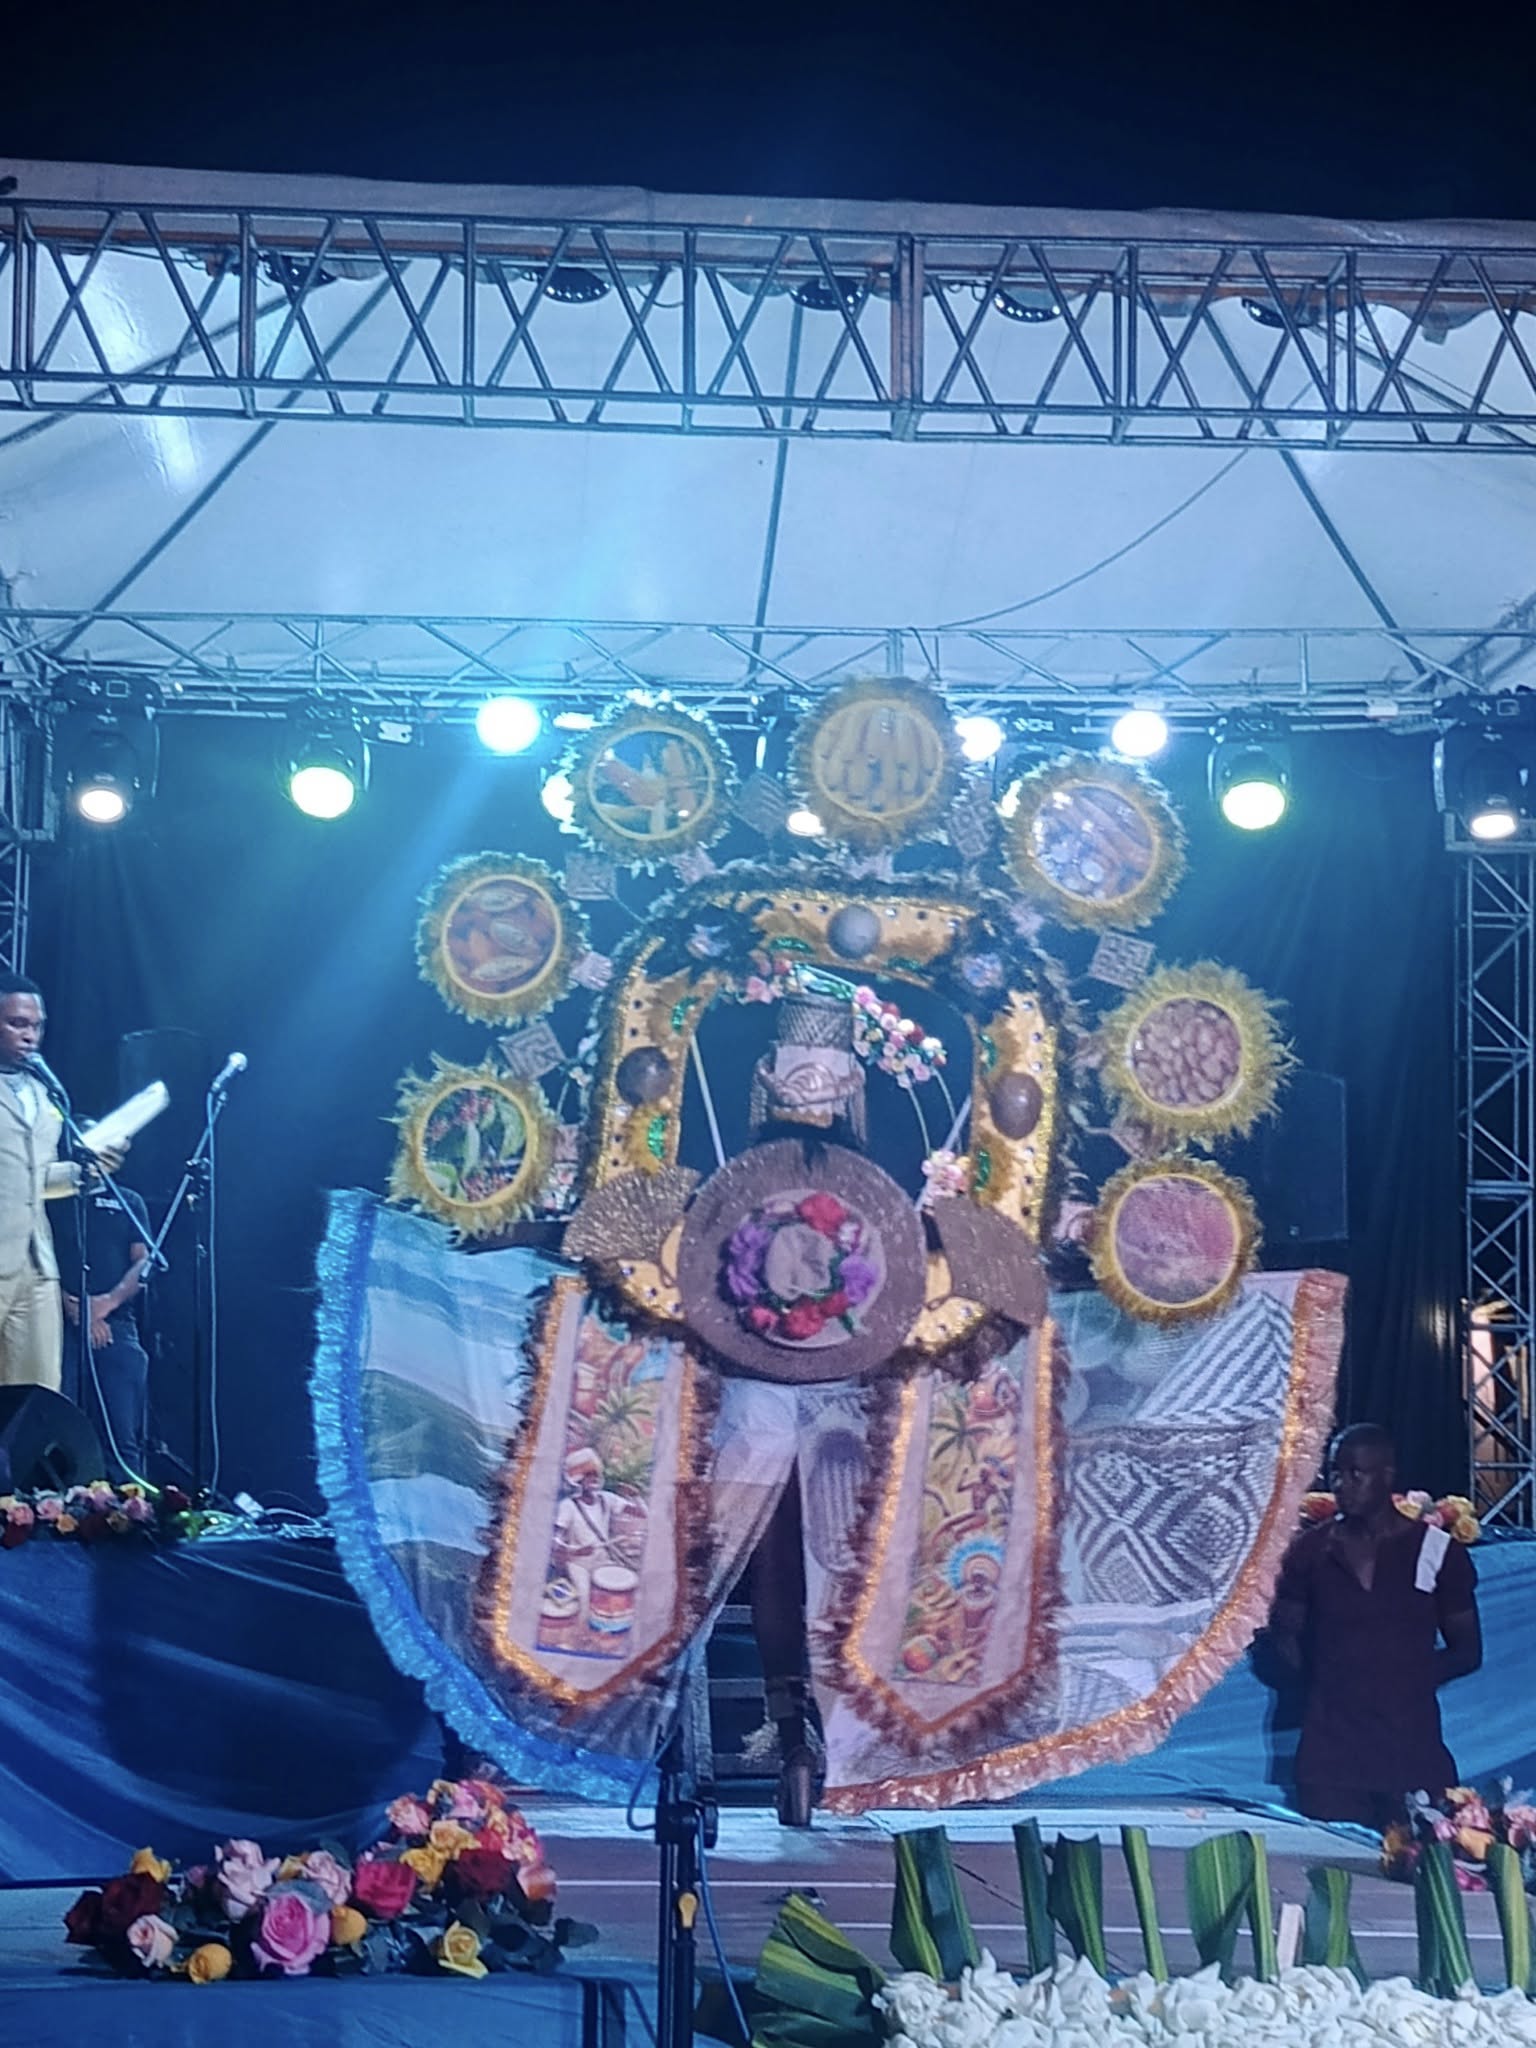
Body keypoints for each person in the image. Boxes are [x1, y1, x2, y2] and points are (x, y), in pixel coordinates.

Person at [1267, 1422, 1483, 1830]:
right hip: (1331, 1760)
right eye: (1336, 1473)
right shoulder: (1310, 1550)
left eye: (1356, 1474)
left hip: (1411, 1753)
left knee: (1422, 1861)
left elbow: (1468, 1652)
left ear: (1387, 1476)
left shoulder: (1437, 1551)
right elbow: (1283, 1635)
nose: (1342, 1485)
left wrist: (1404, 1678)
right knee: (1331, 1862)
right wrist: (1328, 1679)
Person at [0, 974, 87, 1391]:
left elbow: (39, 1180)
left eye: (37, 1026)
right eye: (17, 1023)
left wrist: (86, 1170)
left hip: (37, 1264)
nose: (30, 1035)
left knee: (36, 1397)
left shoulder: (46, 1094)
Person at [56, 1178, 153, 1482]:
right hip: (59, 1324)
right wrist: (75, 1309)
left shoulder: (129, 1201)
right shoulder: (53, 1198)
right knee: (58, 1430)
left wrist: (107, 1303)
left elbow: (144, 1261)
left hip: (116, 1327)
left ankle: (129, 1506)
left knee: (121, 1436)